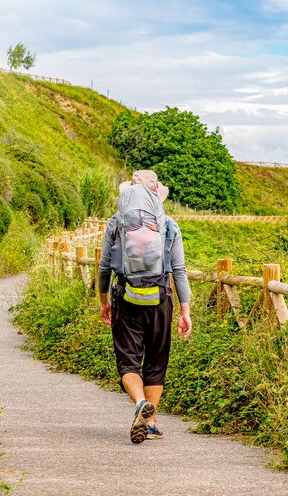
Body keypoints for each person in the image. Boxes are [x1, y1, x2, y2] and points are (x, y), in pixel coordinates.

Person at [98, 170, 192, 444]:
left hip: (125, 297)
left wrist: (104, 301)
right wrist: (185, 311)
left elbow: (105, 266)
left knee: (128, 359)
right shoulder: (169, 225)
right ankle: (150, 422)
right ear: (156, 196)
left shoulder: (116, 223)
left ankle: (140, 403)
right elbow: (179, 270)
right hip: (161, 299)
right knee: (156, 359)